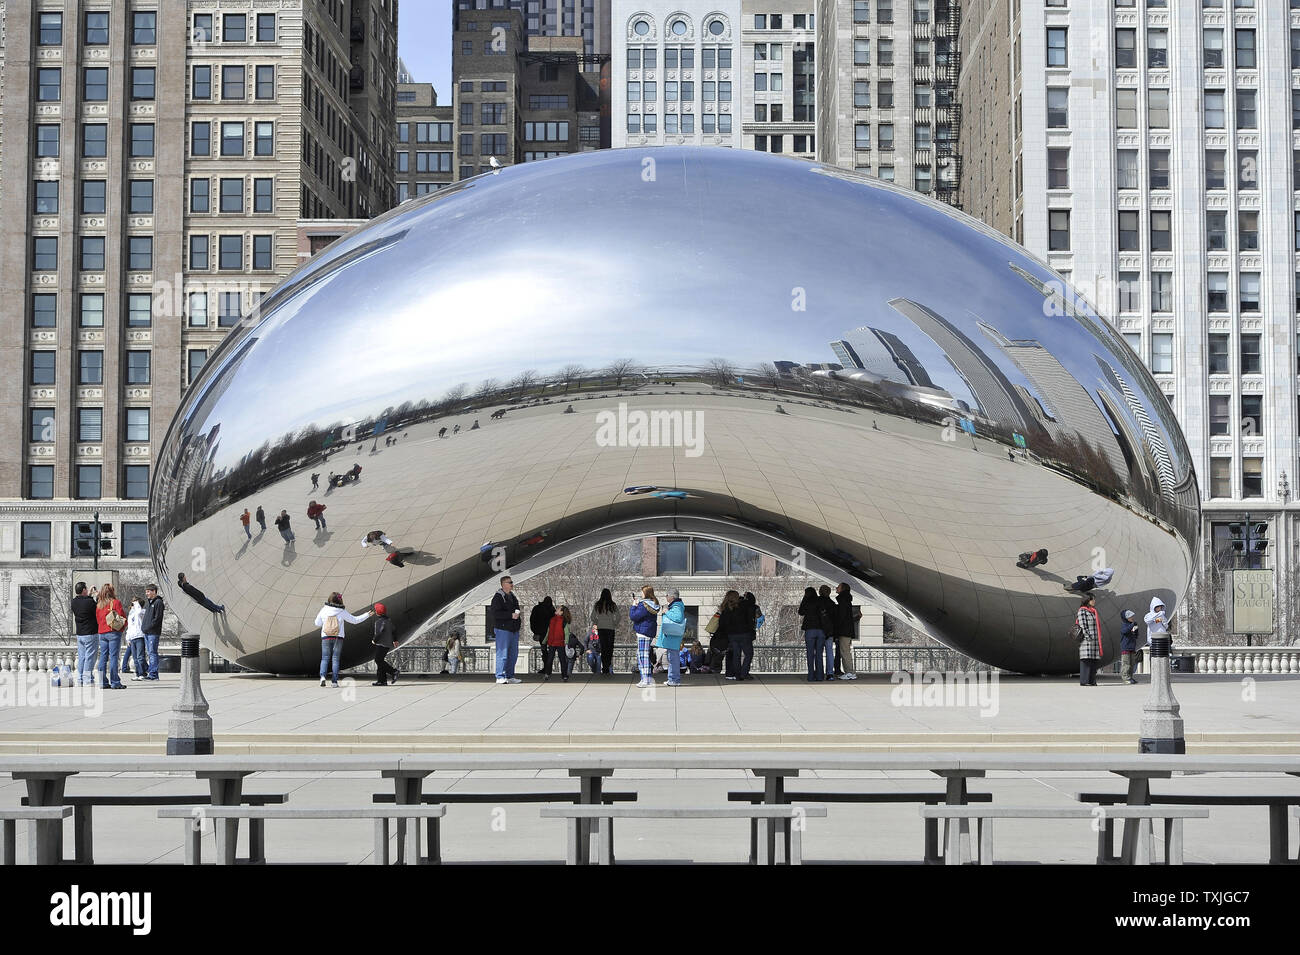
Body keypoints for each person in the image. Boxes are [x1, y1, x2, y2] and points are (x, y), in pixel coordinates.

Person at [314, 592, 372, 687]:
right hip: (338, 637)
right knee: (335, 659)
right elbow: (355, 620)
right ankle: (334, 682)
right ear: (340, 600)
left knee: (325, 658)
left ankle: (322, 677)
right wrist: (367, 615)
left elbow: (317, 623)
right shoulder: (342, 611)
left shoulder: (324, 610)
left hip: (325, 636)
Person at [490, 576, 523, 684]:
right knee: (502, 654)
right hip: (503, 629)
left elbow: (517, 609)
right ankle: (500, 676)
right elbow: (496, 613)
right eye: (510, 582)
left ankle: (510, 676)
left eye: (512, 582)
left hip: (513, 630)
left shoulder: (512, 596)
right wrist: (510, 615)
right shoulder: (498, 597)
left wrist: (517, 618)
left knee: (513, 654)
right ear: (503, 584)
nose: (512, 584)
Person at [95, 583, 126, 690]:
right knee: (113, 657)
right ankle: (115, 682)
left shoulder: (99, 605)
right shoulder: (116, 603)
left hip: (102, 633)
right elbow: (122, 618)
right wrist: (121, 629)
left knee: (103, 657)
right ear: (112, 592)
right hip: (113, 632)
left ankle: (102, 682)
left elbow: (98, 620)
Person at [628, 586, 661, 689]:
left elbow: (634, 616)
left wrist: (634, 606)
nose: (641, 594)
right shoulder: (654, 604)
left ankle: (646, 679)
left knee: (643, 656)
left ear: (646, 593)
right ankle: (646, 678)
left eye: (642, 592)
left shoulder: (644, 605)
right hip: (650, 631)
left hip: (643, 632)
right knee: (643, 655)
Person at [799, 586, 831, 682]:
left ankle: (811, 676)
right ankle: (820, 676)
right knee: (819, 654)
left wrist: (804, 599)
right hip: (821, 631)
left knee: (810, 654)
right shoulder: (820, 601)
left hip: (810, 630)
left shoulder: (807, 601)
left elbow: (801, 612)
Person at [72, 582, 99, 687]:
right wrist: (95, 596)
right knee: (90, 657)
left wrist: (90, 596)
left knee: (82, 657)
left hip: (80, 634)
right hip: (90, 633)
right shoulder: (90, 602)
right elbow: (96, 610)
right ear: (83, 590)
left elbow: (84, 602)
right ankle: (88, 680)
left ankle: (80, 679)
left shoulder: (74, 602)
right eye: (86, 589)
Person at [658, 589, 687, 687]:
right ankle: (672, 679)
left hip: (673, 637)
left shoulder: (677, 606)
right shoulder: (676, 606)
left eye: (667, 595)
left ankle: (674, 680)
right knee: (671, 658)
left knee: (673, 659)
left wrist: (666, 611)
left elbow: (677, 618)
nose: (666, 597)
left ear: (672, 597)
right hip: (672, 636)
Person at [717, 590, 748, 682]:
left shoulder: (724, 608)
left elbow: (721, 623)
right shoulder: (738, 608)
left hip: (727, 635)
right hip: (737, 634)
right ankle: (735, 673)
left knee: (730, 654)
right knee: (736, 655)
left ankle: (729, 673)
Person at [833, 582, 860, 681]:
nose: (836, 588)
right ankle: (850, 672)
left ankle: (850, 672)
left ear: (843, 589)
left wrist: (837, 629)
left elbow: (841, 617)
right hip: (847, 630)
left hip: (844, 631)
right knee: (845, 651)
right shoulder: (846, 600)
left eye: (838, 587)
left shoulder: (843, 601)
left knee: (845, 652)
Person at [1076, 594, 1103, 687]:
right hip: (1087, 641)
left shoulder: (1093, 611)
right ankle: (1084, 681)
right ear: (1087, 600)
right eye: (1092, 599)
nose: (1094, 601)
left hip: (1094, 641)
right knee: (1086, 661)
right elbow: (1083, 625)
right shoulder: (1082, 611)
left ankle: (1092, 680)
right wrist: (1088, 637)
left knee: (1093, 661)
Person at [590, 589, 619, 675]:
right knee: (609, 648)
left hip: (601, 628)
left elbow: (592, 616)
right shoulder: (612, 605)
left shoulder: (597, 605)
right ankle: (607, 665)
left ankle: (604, 668)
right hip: (610, 628)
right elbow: (618, 616)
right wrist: (614, 623)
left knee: (603, 647)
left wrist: (597, 622)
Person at [541, 605, 572, 681]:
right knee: (549, 659)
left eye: (558, 608)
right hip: (551, 642)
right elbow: (548, 631)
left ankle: (564, 675)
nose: (556, 609)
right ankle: (547, 673)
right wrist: (544, 641)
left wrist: (566, 642)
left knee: (562, 660)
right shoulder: (552, 620)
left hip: (560, 643)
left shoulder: (564, 621)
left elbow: (567, 633)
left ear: (561, 612)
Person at [141, 583, 164, 681]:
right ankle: (152, 672)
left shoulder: (158, 602)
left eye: (148, 591)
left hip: (153, 632)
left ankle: (153, 674)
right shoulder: (148, 603)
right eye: (146, 591)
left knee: (152, 652)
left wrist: (149, 627)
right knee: (149, 652)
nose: (147, 593)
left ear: (154, 591)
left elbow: (157, 618)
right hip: (147, 632)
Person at [371, 602, 397, 686]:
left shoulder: (379, 622)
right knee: (380, 661)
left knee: (378, 660)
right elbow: (394, 631)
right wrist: (395, 640)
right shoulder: (388, 621)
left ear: (377, 612)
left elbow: (379, 633)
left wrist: (374, 640)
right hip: (388, 644)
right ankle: (382, 681)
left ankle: (393, 672)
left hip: (381, 644)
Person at [122, 597, 147, 682]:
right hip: (132, 637)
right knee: (135, 657)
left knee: (140, 656)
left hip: (139, 636)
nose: (132, 605)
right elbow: (129, 627)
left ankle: (142, 673)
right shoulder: (131, 614)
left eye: (134, 603)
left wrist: (136, 604)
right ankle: (137, 673)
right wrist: (127, 638)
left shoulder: (142, 612)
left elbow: (139, 612)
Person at [529, 596, 556, 669]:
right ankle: (548, 667)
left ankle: (546, 667)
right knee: (549, 651)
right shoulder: (551, 609)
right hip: (549, 633)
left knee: (544, 650)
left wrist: (535, 631)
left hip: (541, 633)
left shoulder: (537, 608)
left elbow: (532, 620)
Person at [817, 585, 837, 681]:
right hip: (829, 632)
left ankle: (819, 673)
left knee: (818, 653)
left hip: (819, 630)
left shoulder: (817, 602)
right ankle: (830, 673)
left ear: (820, 592)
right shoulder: (832, 604)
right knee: (829, 652)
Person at [1119, 609, 1140, 685]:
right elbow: (1124, 631)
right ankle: (1125, 677)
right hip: (1126, 647)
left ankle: (1130, 677)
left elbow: (1135, 635)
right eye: (1130, 617)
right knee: (1126, 663)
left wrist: (1136, 630)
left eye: (1132, 616)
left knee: (1132, 663)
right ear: (1126, 618)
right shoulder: (1125, 624)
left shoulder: (1132, 625)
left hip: (1132, 647)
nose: (1132, 618)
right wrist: (1132, 625)